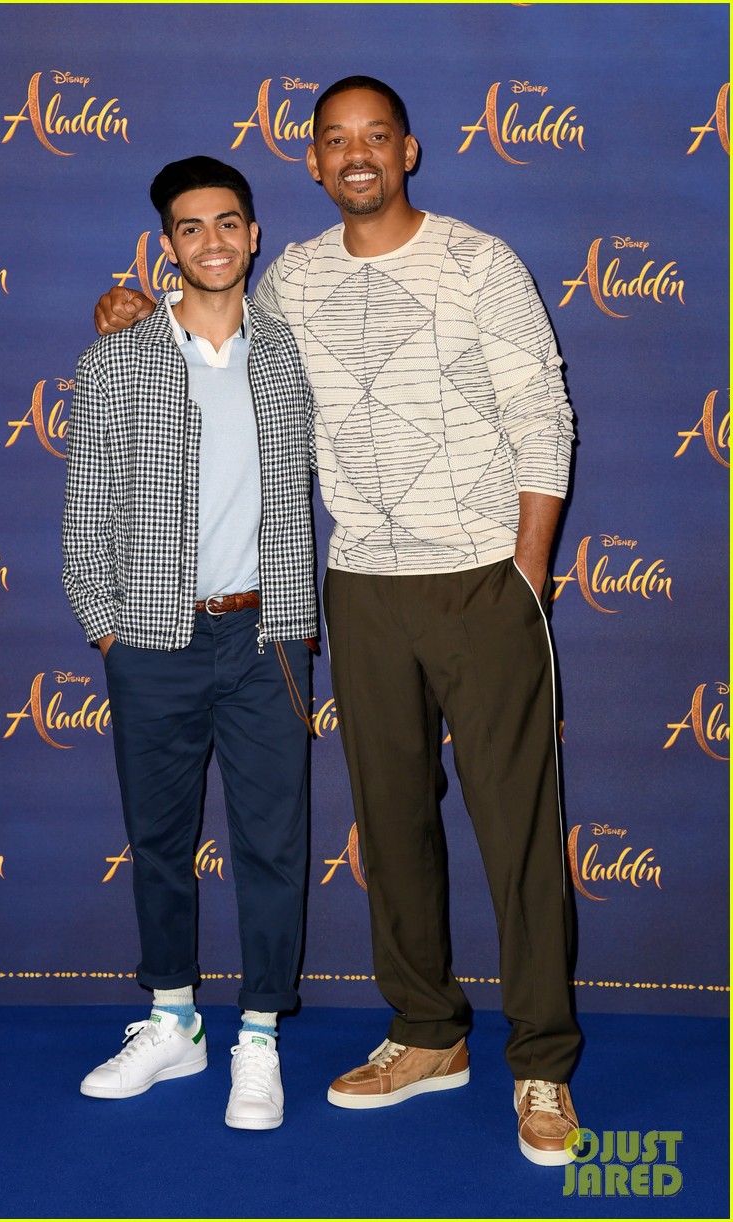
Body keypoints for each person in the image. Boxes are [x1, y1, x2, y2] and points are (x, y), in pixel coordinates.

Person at [94, 77, 582, 1167]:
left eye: (374, 138)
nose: (355, 156)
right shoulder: (295, 283)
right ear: (311, 164)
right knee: (391, 822)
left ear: (407, 149)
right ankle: (424, 1033)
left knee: (517, 833)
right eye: (334, 142)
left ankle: (541, 1060)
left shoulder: (478, 260)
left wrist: (527, 572)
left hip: (483, 581)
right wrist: (122, 312)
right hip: (355, 585)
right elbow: (207, 334)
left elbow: (541, 409)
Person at [64, 156, 318, 1131]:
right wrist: (108, 624)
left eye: (228, 223)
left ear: (254, 236)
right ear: (166, 246)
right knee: (160, 840)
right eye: (190, 227)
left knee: (271, 842)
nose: (211, 241)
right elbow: (85, 515)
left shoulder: (293, 352)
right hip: (155, 639)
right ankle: (172, 1020)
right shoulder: (115, 360)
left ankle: (257, 1035)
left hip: (268, 636)